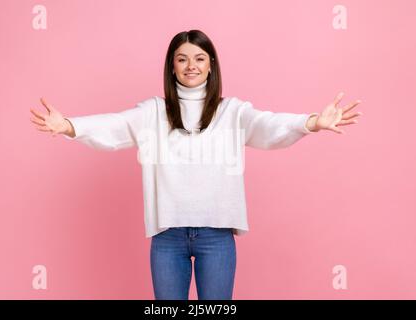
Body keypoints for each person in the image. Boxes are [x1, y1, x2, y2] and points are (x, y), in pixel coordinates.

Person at [29, 29, 362, 300]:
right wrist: (69, 126)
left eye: (200, 58)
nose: (191, 65)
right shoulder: (154, 113)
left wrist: (312, 122)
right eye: (182, 59)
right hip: (167, 237)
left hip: (216, 236)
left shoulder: (232, 111)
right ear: (171, 66)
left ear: (211, 64)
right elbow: (115, 126)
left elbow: (268, 125)